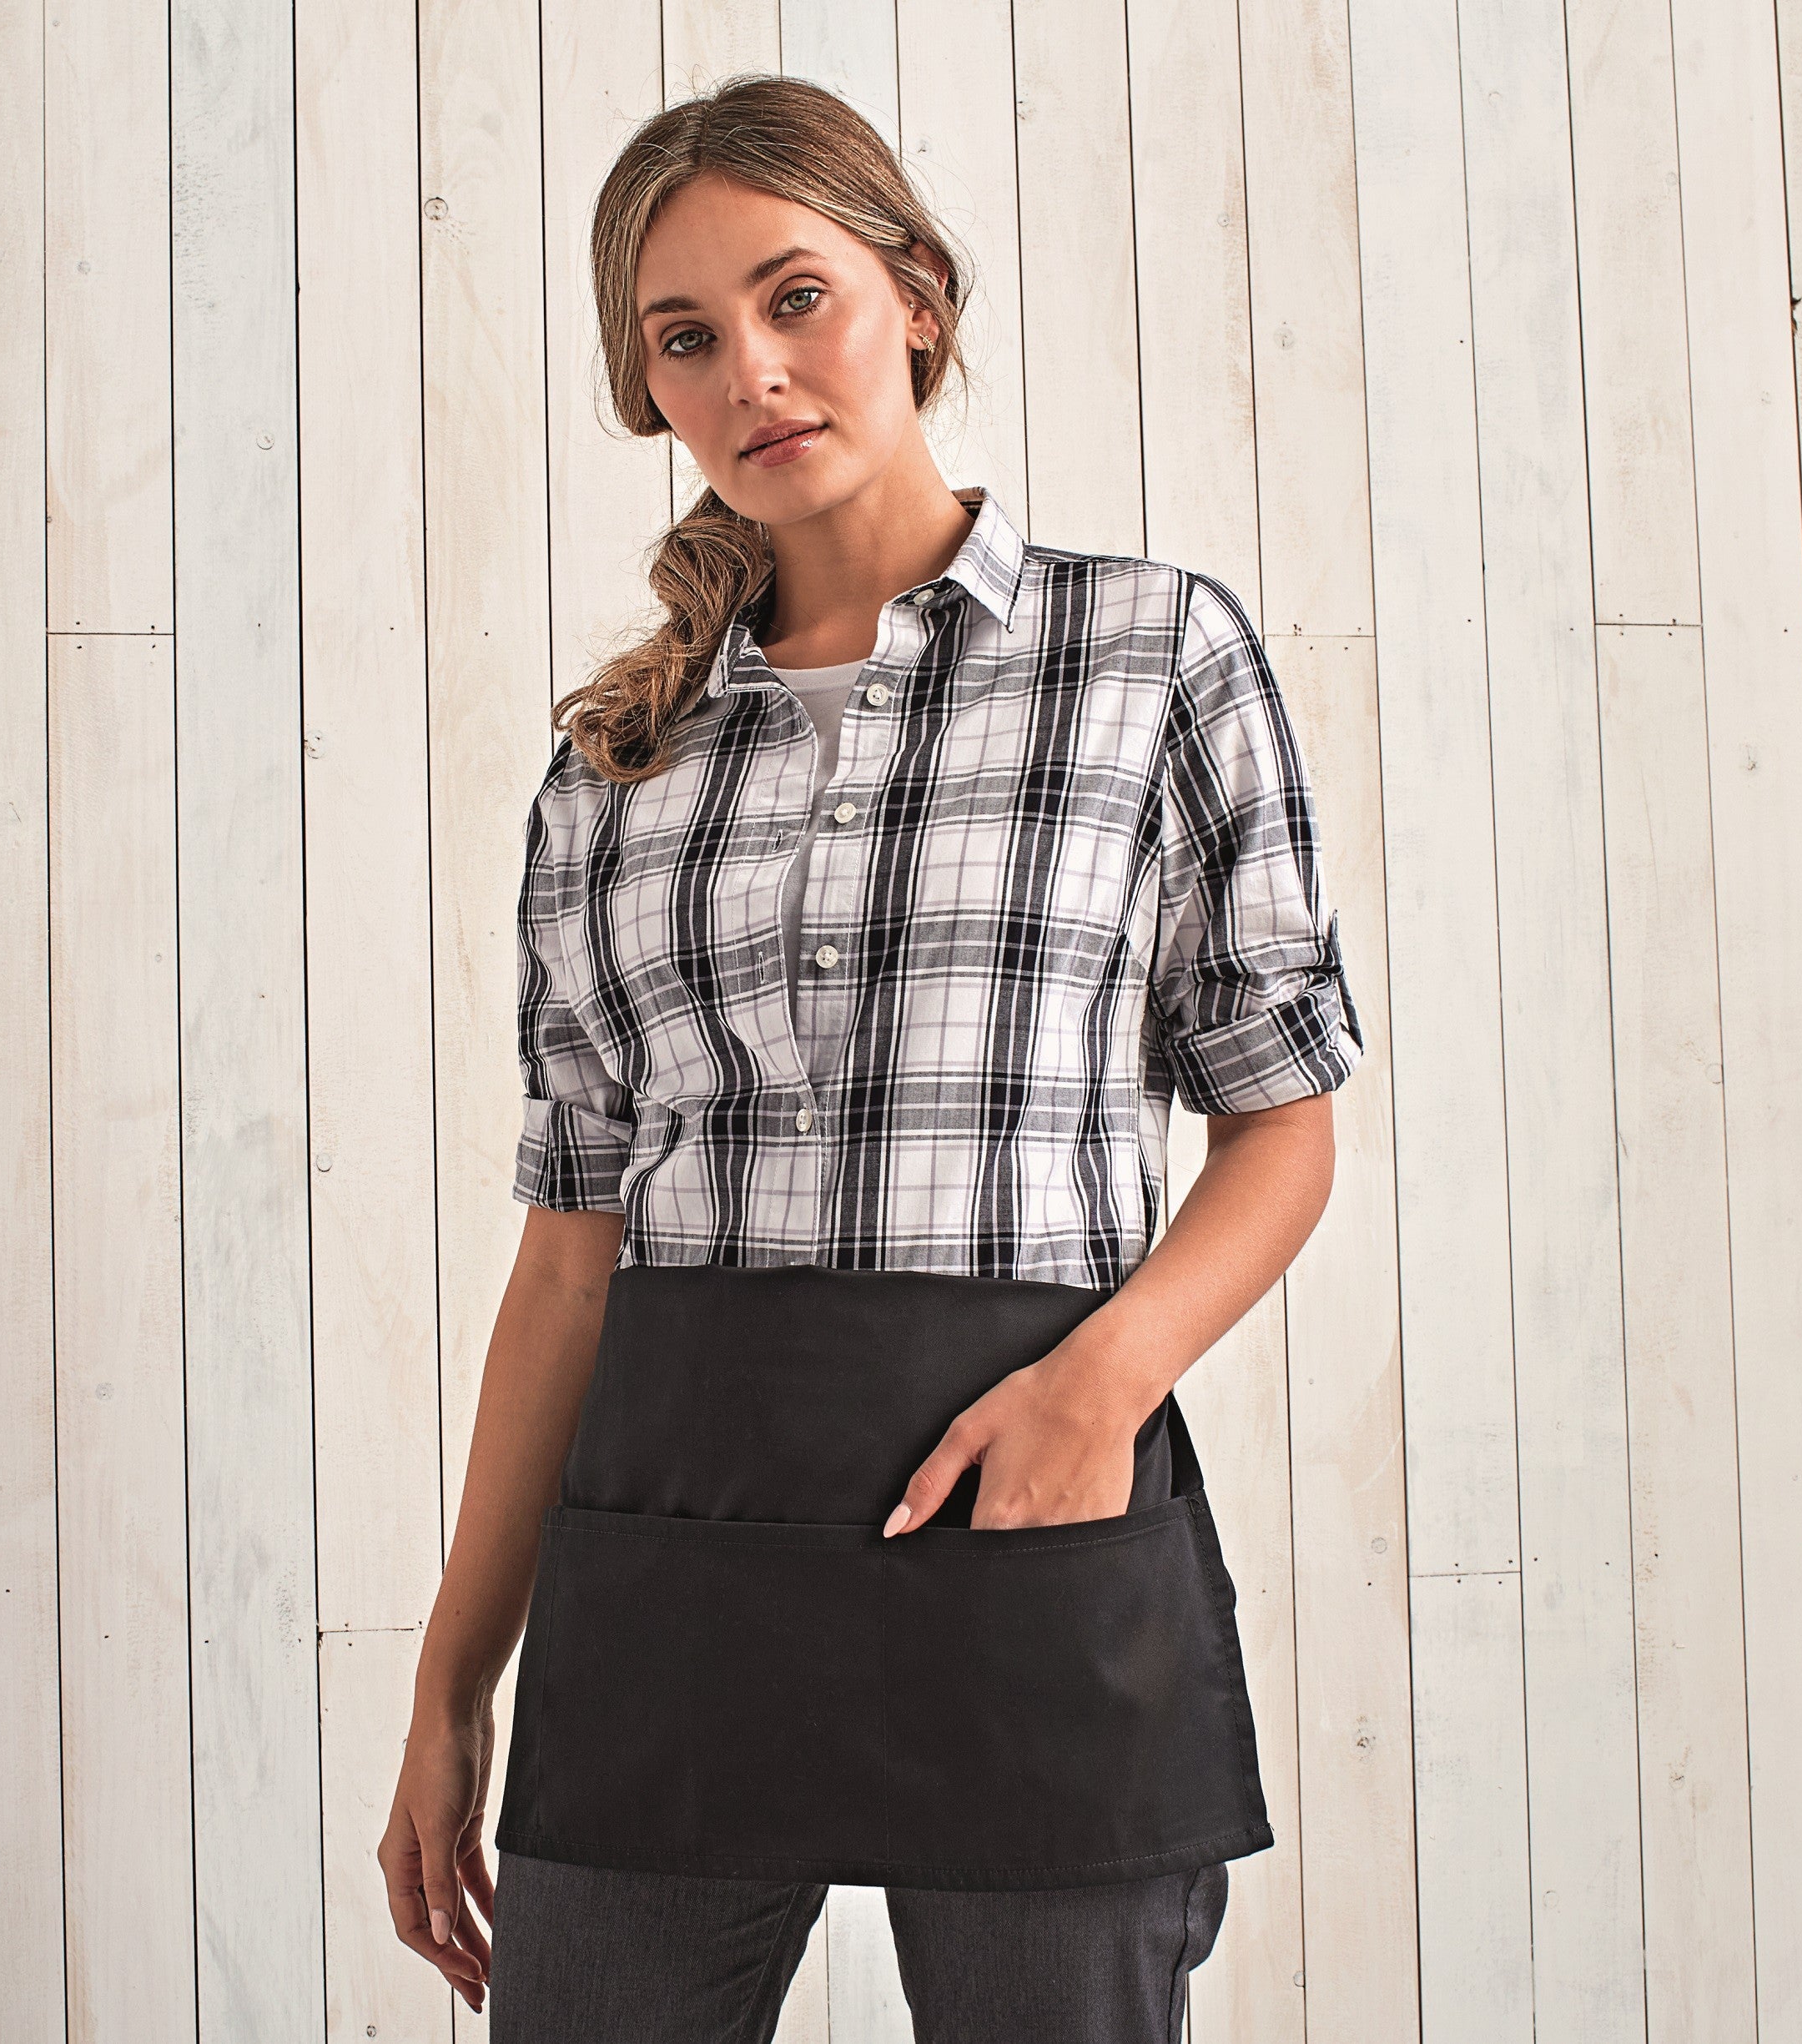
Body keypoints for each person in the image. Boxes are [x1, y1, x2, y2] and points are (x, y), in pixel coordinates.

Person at [378, 71, 1363, 2043]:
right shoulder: (611, 775)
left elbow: (1282, 1125)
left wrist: (1098, 1388)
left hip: (1032, 1531)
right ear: (648, 391)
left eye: (795, 296)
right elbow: (567, 1266)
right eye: (684, 338)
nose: (751, 370)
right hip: (671, 1570)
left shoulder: (1149, 657)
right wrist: (449, 1682)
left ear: (913, 295)